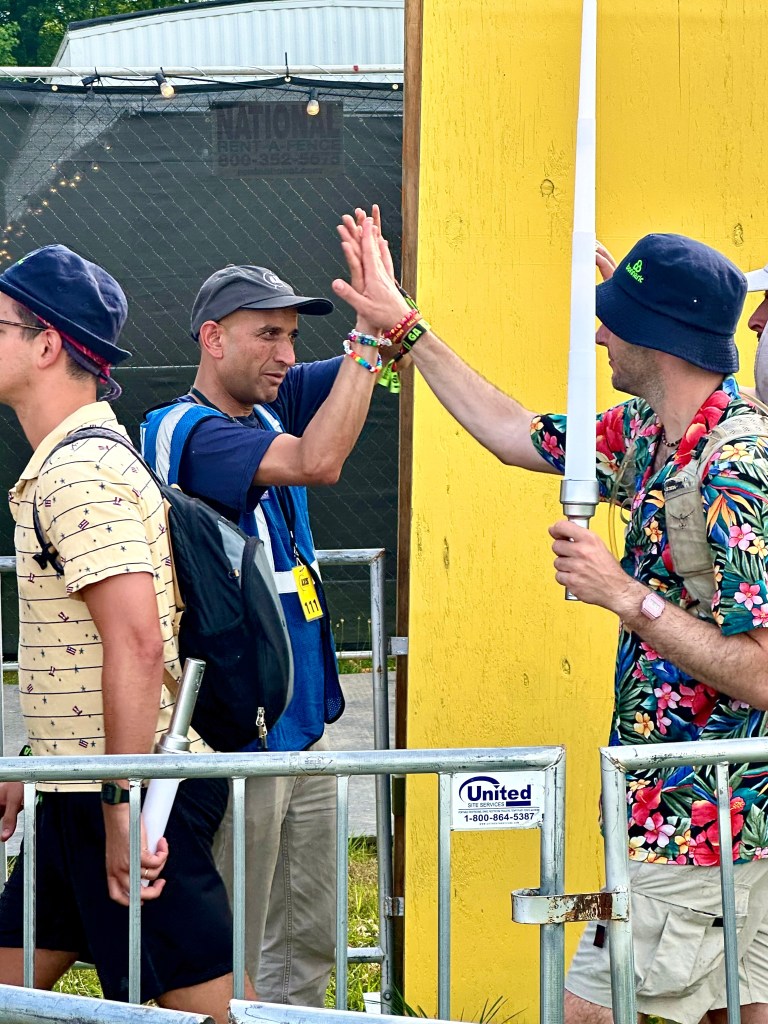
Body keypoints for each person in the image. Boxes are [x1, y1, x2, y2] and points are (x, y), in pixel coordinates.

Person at [334, 222, 768, 1024]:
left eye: (614, 317)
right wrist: (408, 329)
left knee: (588, 1014)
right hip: (689, 821)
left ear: (661, 337)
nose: (598, 332)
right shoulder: (646, 436)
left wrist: (622, 594)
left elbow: (765, 672)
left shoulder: (736, 465)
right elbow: (510, 432)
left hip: (701, 824)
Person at [141, 210, 390, 1005]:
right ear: (212, 339)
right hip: (234, 736)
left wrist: (381, 306)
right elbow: (320, 462)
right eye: (267, 337)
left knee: (309, 941)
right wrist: (364, 340)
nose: (287, 355)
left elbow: (380, 364)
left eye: (291, 336)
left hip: (299, 729)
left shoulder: (270, 403)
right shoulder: (192, 432)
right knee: (232, 944)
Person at [0, 244, 254, 1019]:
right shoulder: (76, 460)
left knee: (203, 1012)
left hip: (130, 796)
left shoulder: (78, 473)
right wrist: (33, 765)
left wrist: (120, 808)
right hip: (85, 788)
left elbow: (138, 643)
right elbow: (83, 648)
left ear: (47, 345)